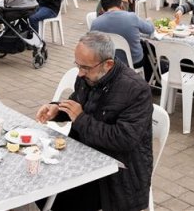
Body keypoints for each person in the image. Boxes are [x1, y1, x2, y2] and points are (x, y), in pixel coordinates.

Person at [35, 32, 153, 211]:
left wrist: (81, 119)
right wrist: (57, 109)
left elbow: (124, 139)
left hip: (118, 175)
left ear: (108, 64)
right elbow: (77, 103)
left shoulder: (136, 89)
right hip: (83, 157)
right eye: (77, 65)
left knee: (56, 198)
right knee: (39, 179)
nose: (80, 73)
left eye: (85, 67)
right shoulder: (87, 76)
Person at [91, 0, 155, 78]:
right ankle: (148, 80)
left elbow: (92, 45)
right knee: (148, 49)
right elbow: (149, 29)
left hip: (107, 63)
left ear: (102, 9)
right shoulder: (132, 17)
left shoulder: (96, 23)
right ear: (121, 4)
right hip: (133, 61)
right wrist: (149, 21)